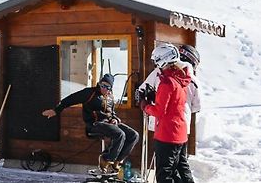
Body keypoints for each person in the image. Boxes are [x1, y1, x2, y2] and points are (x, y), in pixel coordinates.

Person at [42, 73, 139, 174]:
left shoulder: (110, 97)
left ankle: (116, 161)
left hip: (108, 123)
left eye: (107, 87)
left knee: (134, 135)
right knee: (120, 134)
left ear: (111, 88)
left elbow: (112, 113)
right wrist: (56, 110)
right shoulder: (90, 93)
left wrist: (115, 119)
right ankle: (105, 159)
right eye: (102, 85)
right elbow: (71, 99)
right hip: (95, 123)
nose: (104, 88)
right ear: (99, 84)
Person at [138, 44, 200, 183]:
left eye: (156, 61)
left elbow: (160, 111)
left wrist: (145, 105)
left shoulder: (166, 83)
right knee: (177, 169)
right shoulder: (181, 79)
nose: (155, 64)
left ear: (163, 60)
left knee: (164, 174)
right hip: (180, 131)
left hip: (167, 134)